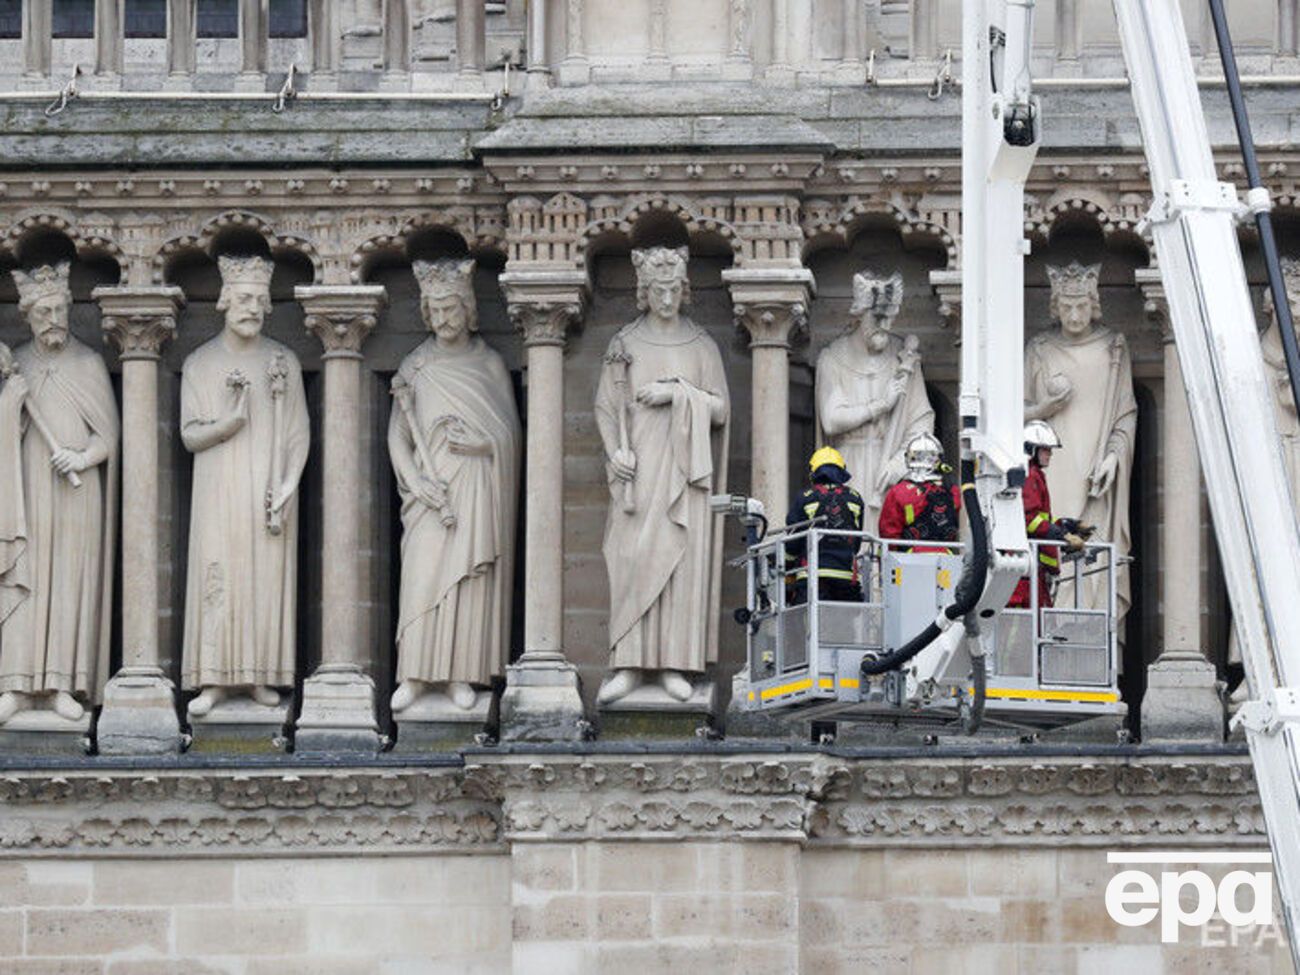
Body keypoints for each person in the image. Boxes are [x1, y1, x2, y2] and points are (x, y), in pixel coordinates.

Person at [1010, 420, 1086, 609]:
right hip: (1029, 568)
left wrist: (1067, 526)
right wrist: (1062, 535)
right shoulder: (1029, 475)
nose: (1050, 454)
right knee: (1024, 626)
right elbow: (1029, 520)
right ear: (1031, 449)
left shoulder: (1035, 475)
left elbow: (1041, 521)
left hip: (1036, 569)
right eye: (1046, 449)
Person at [784, 447, 867, 603]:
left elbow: (792, 542)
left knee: (809, 624)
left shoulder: (805, 498)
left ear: (813, 471)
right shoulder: (855, 498)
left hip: (812, 576)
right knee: (845, 625)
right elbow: (855, 542)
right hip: (846, 577)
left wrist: (785, 566)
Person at [877, 432, 961, 554]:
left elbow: (889, 533)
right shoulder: (953, 491)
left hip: (907, 559)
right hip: (946, 559)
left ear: (909, 458)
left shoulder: (899, 491)